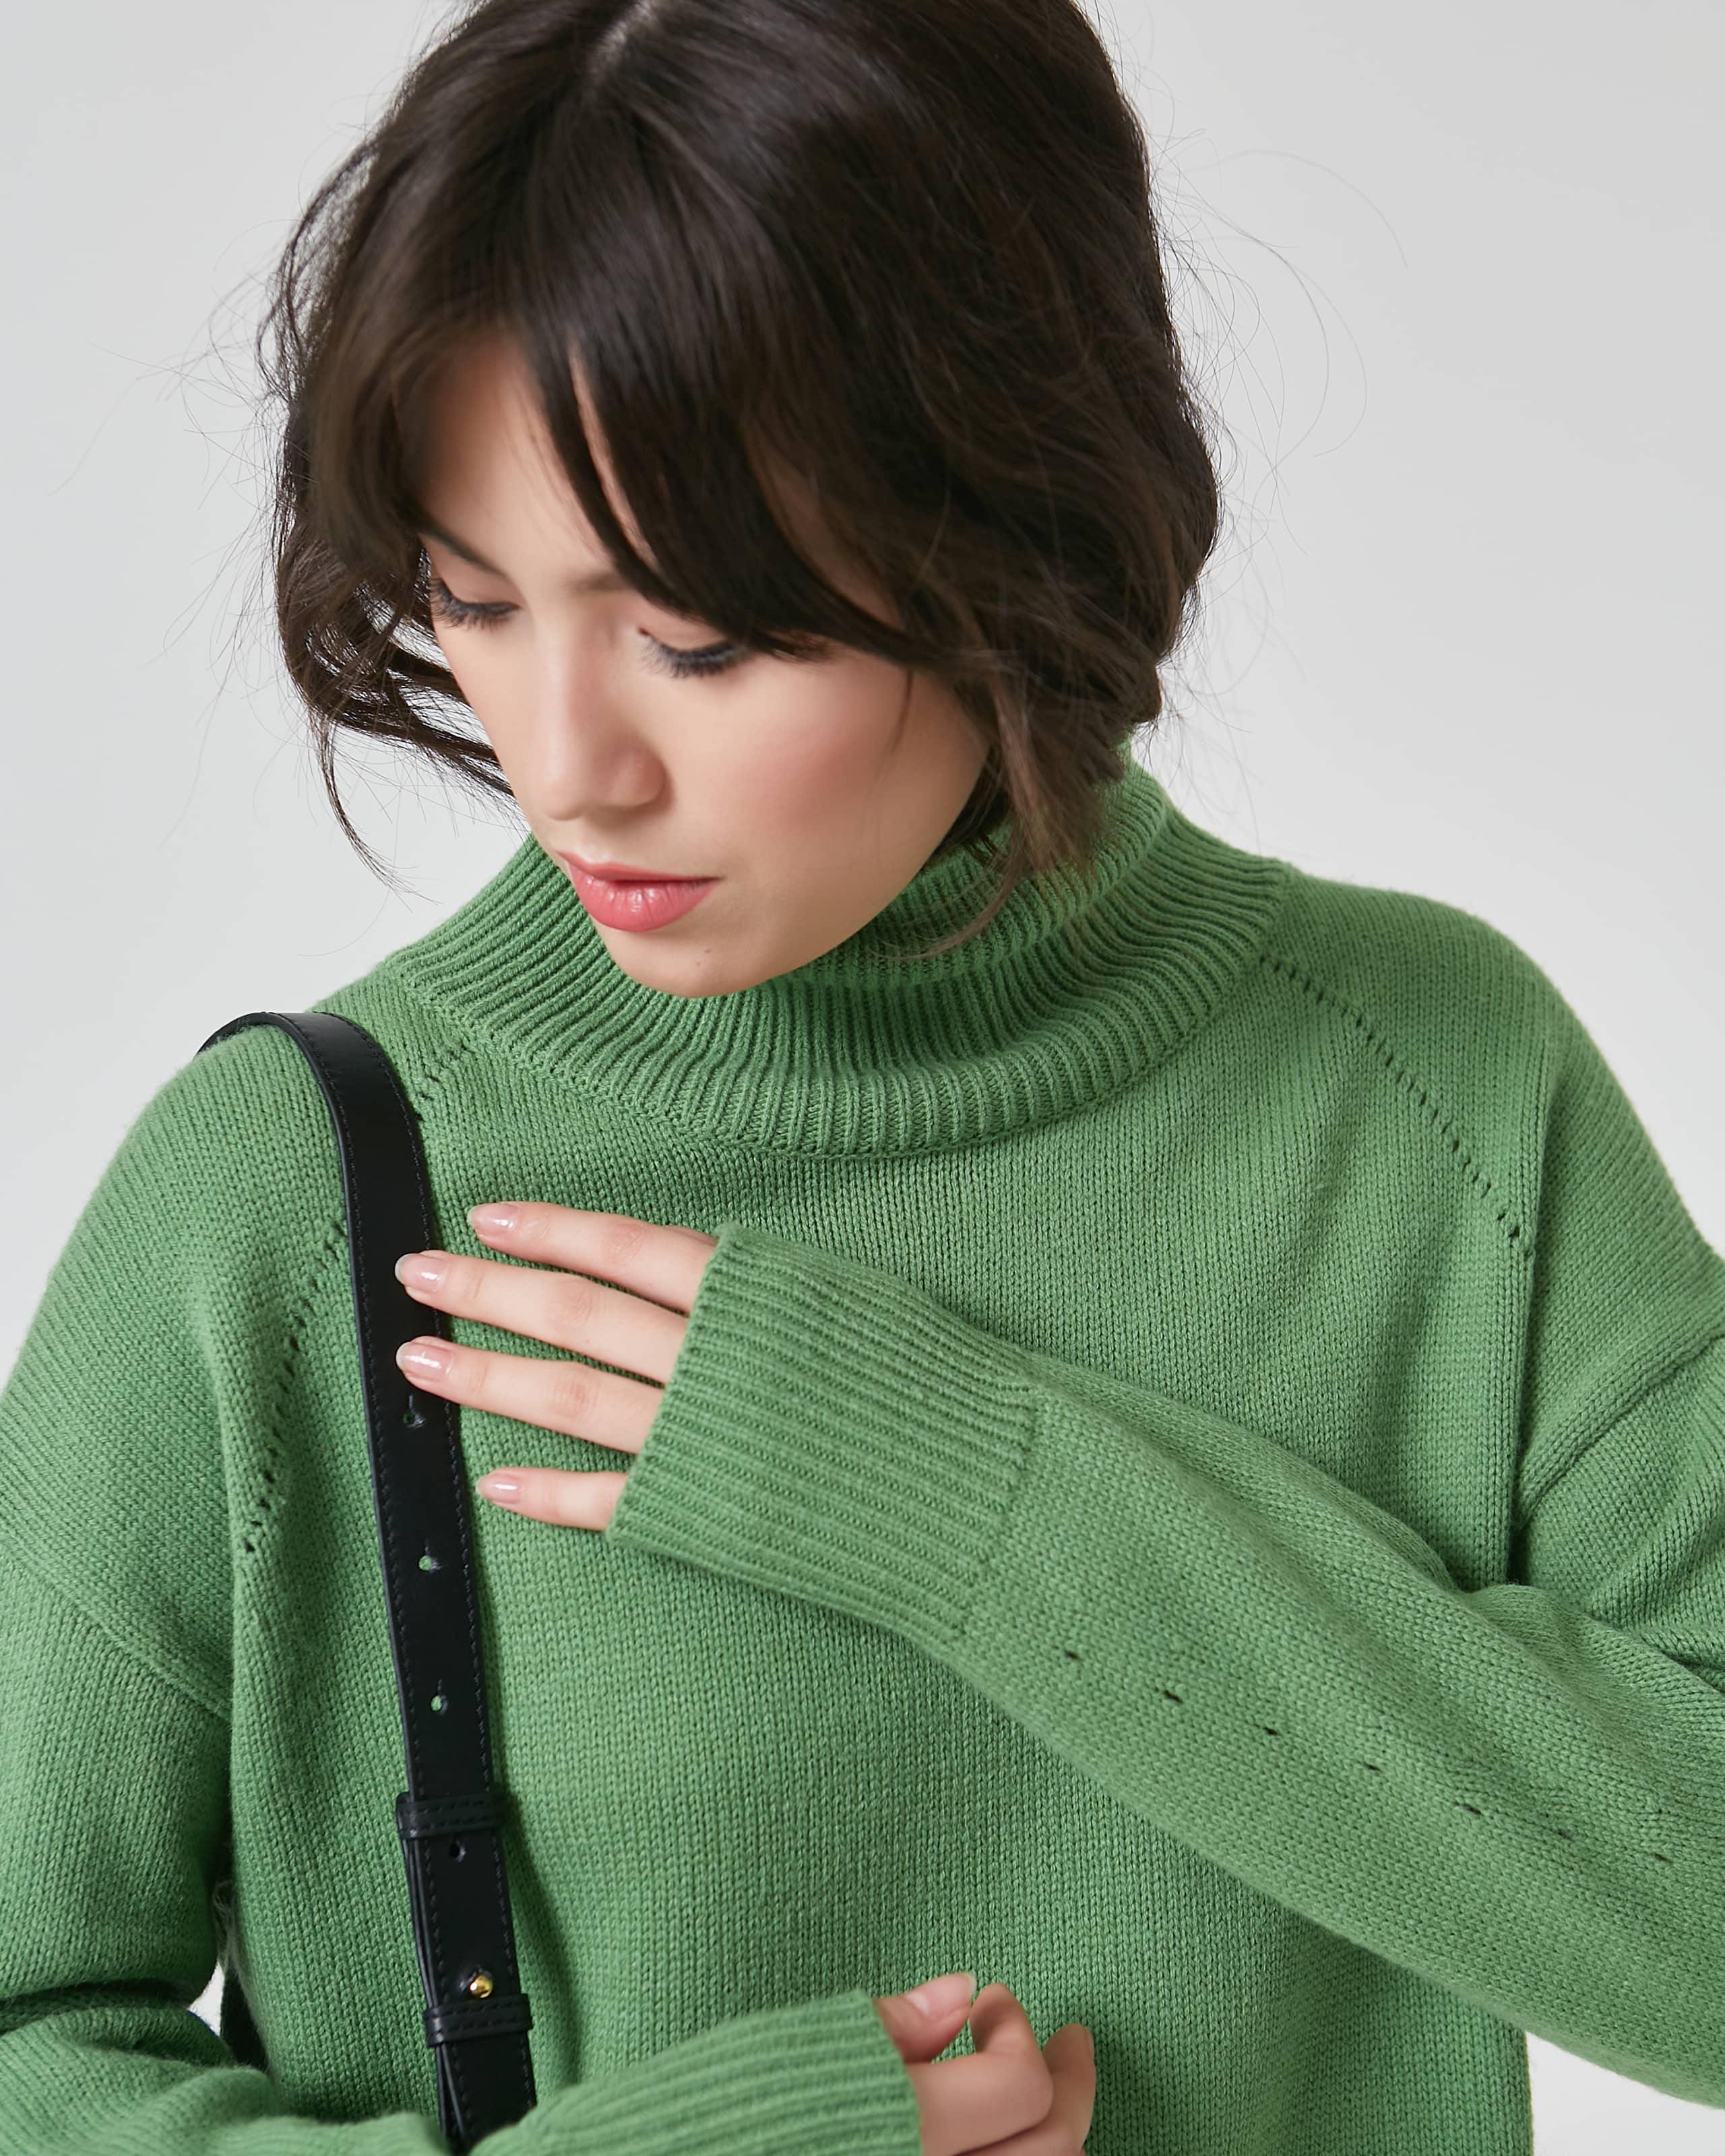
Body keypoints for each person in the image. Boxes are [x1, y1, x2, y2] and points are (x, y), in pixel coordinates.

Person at [2, 1, 1722, 2152]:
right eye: (474, 602)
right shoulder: (291, 1196)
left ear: (1013, 521)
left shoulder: (1433, 1096)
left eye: (698, 639)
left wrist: (968, 1499)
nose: (568, 763)